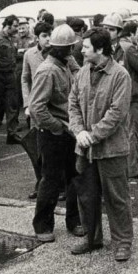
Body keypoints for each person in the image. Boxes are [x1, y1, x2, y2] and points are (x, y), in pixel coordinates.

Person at [68, 28, 134, 262]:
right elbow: (73, 104)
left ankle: (123, 242)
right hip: (85, 148)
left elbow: (116, 114)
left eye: (86, 47)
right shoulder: (82, 73)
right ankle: (92, 238)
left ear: (99, 49)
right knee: (87, 195)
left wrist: (91, 135)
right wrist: (78, 132)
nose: (82, 50)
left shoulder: (120, 75)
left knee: (117, 198)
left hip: (111, 149)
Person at [31, 24, 85, 243]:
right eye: (70, 47)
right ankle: (42, 224)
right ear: (62, 49)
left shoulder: (65, 64)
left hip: (67, 130)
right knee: (51, 180)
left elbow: (79, 76)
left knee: (74, 177)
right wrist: (57, 127)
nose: (73, 51)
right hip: (53, 133)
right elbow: (37, 108)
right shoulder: (48, 71)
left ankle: (74, 221)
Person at [104, 14, 138, 179]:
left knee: (121, 132)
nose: (108, 32)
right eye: (106, 29)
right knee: (131, 132)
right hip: (128, 96)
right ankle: (134, 168)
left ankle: (124, 167)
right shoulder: (127, 48)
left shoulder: (114, 48)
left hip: (118, 96)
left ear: (119, 31)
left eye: (111, 29)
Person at [21, 21, 54, 198]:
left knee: (55, 147)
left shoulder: (59, 53)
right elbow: (25, 78)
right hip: (36, 108)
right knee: (36, 148)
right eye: (44, 36)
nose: (48, 39)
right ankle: (40, 181)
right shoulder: (29, 55)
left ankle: (58, 184)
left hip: (54, 108)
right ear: (37, 38)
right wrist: (27, 103)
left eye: (50, 34)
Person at [0, 15, 19, 134]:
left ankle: (12, 132)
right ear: (8, 26)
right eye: (15, 26)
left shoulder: (14, 38)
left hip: (10, 74)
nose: (17, 28)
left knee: (12, 102)